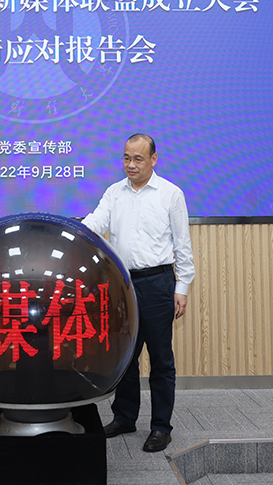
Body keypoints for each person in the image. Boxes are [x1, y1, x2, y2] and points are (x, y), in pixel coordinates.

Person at [81, 133, 194, 453]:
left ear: (153, 159)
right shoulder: (114, 193)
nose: (131, 165)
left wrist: (182, 287)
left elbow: (182, 244)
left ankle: (161, 427)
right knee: (125, 356)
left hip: (158, 284)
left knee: (161, 359)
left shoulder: (170, 194)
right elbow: (94, 223)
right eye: (127, 158)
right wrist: (70, 230)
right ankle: (124, 417)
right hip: (121, 284)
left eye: (138, 159)